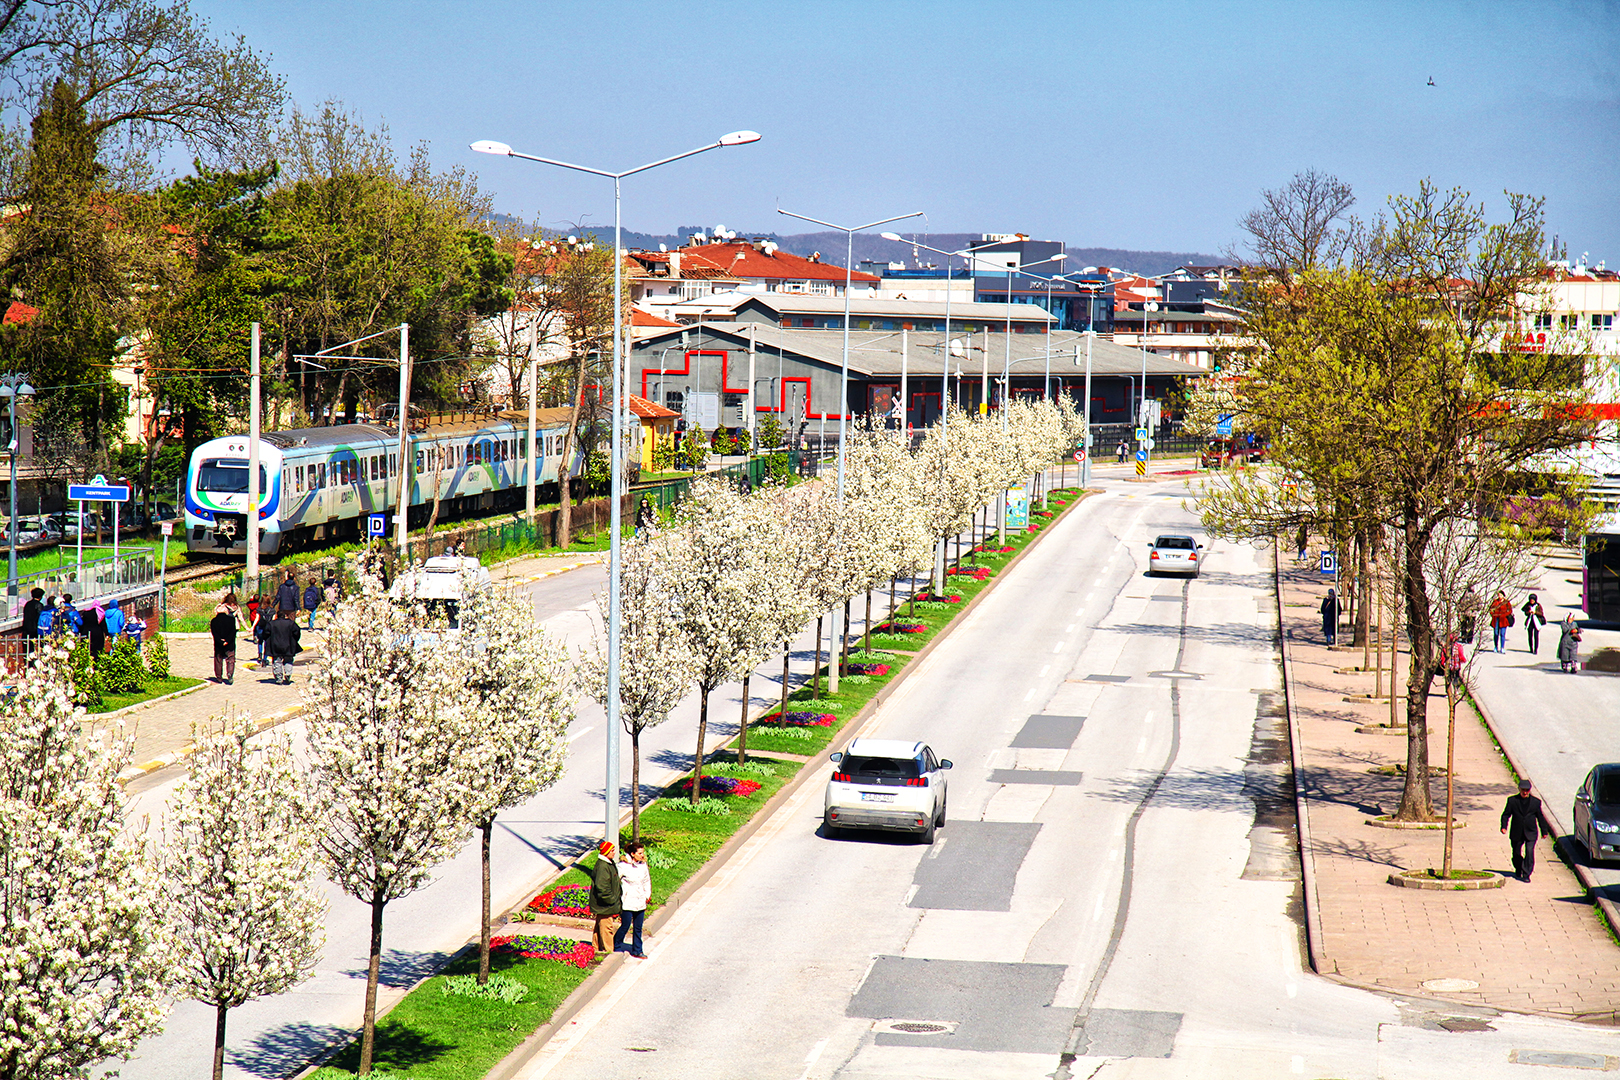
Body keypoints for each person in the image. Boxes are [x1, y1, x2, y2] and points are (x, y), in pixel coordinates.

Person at [1500, 778, 1550, 882]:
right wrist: (1504, 826)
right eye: (1523, 790)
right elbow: (1506, 814)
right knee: (1516, 853)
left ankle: (1527, 874)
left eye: (1527, 790)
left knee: (1529, 852)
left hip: (1531, 832)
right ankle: (1519, 867)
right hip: (1516, 832)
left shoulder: (1536, 802)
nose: (1525, 792)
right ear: (1519, 789)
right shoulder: (1512, 801)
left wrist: (1544, 831)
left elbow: (1540, 817)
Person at [615, 841, 650, 959]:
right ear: (633, 854)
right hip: (628, 901)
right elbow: (615, 882)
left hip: (640, 900)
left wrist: (646, 895)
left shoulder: (643, 866)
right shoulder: (623, 866)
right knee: (625, 925)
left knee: (638, 927)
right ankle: (617, 944)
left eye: (642, 853)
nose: (642, 855)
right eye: (640, 853)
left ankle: (637, 950)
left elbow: (646, 881)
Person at [588, 840, 622, 954]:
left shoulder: (608, 863)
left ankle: (596, 947)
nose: (614, 852)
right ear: (606, 852)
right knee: (607, 927)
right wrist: (611, 900)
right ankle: (608, 950)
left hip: (604, 903)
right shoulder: (603, 866)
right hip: (604, 904)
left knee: (600, 926)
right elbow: (602, 887)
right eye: (612, 850)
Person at [209, 593, 240, 684]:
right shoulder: (231, 620)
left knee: (218, 660)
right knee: (230, 659)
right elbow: (232, 632)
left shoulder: (214, 621)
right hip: (229, 643)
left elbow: (214, 633)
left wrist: (221, 641)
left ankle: (219, 677)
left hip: (219, 644)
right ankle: (230, 674)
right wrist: (227, 641)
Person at [267, 607, 302, 684]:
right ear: (285, 615)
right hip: (288, 645)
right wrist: (294, 640)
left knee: (277, 661)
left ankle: (279, 677)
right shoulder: (291, 623)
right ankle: (288, 674)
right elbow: (297, 632)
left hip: (275, 645)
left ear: (277, 616)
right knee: (288, 660)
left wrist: (269, 640)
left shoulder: (272, 624)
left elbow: (266, 633)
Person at [21, 587, 43, 653]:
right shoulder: (39, 605)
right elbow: (39, 617)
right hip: (35, 630)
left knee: (27, 649)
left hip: (26, 628)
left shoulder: (27, 604)